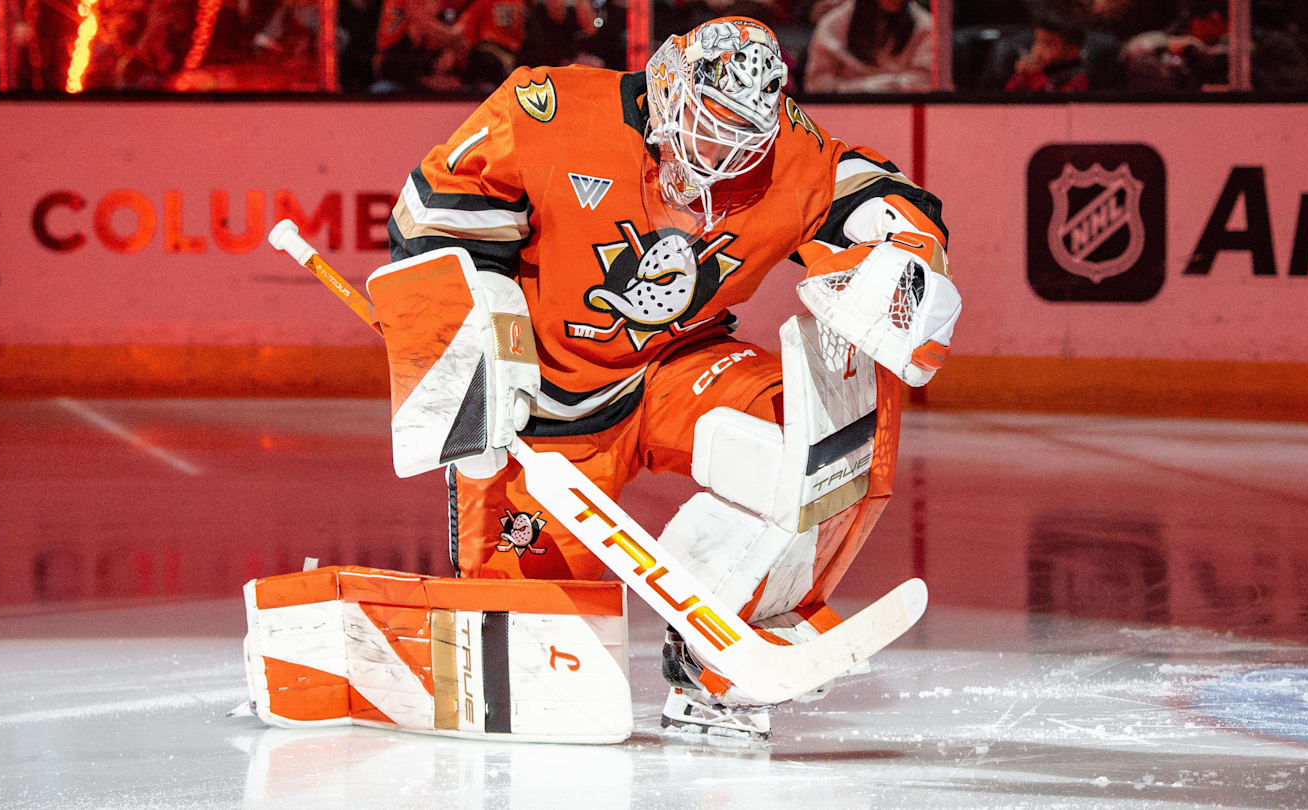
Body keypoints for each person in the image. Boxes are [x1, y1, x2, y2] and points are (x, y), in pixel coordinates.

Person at [384, 16, 959, 739]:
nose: (721, 154)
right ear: (667, 85)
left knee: (815, 445)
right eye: (709, 122)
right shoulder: (552, 111)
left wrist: (907, 249)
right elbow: (431, 217)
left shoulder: (788, 154)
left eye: (742, 134)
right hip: (545, 401)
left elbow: (876, 195)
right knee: (522, 658)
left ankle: (716, 657)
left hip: (679, 367)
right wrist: (473, 345)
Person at [804, 0, 933, 93]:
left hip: (901, 112)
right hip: (845, 112)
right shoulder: (833, 25)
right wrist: (867, 88)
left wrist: (881, 87)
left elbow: (924, 82)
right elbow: (817, 85)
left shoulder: (925, 26)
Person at [1005, 5, 1091, 92]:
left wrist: (1035, 75)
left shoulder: (1078, 78)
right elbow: (1009, 93)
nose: (1038, 50)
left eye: (1047, 44)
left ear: (1072, 51)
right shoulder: (1039, 70)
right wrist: (1021, 76)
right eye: (1036, 42)